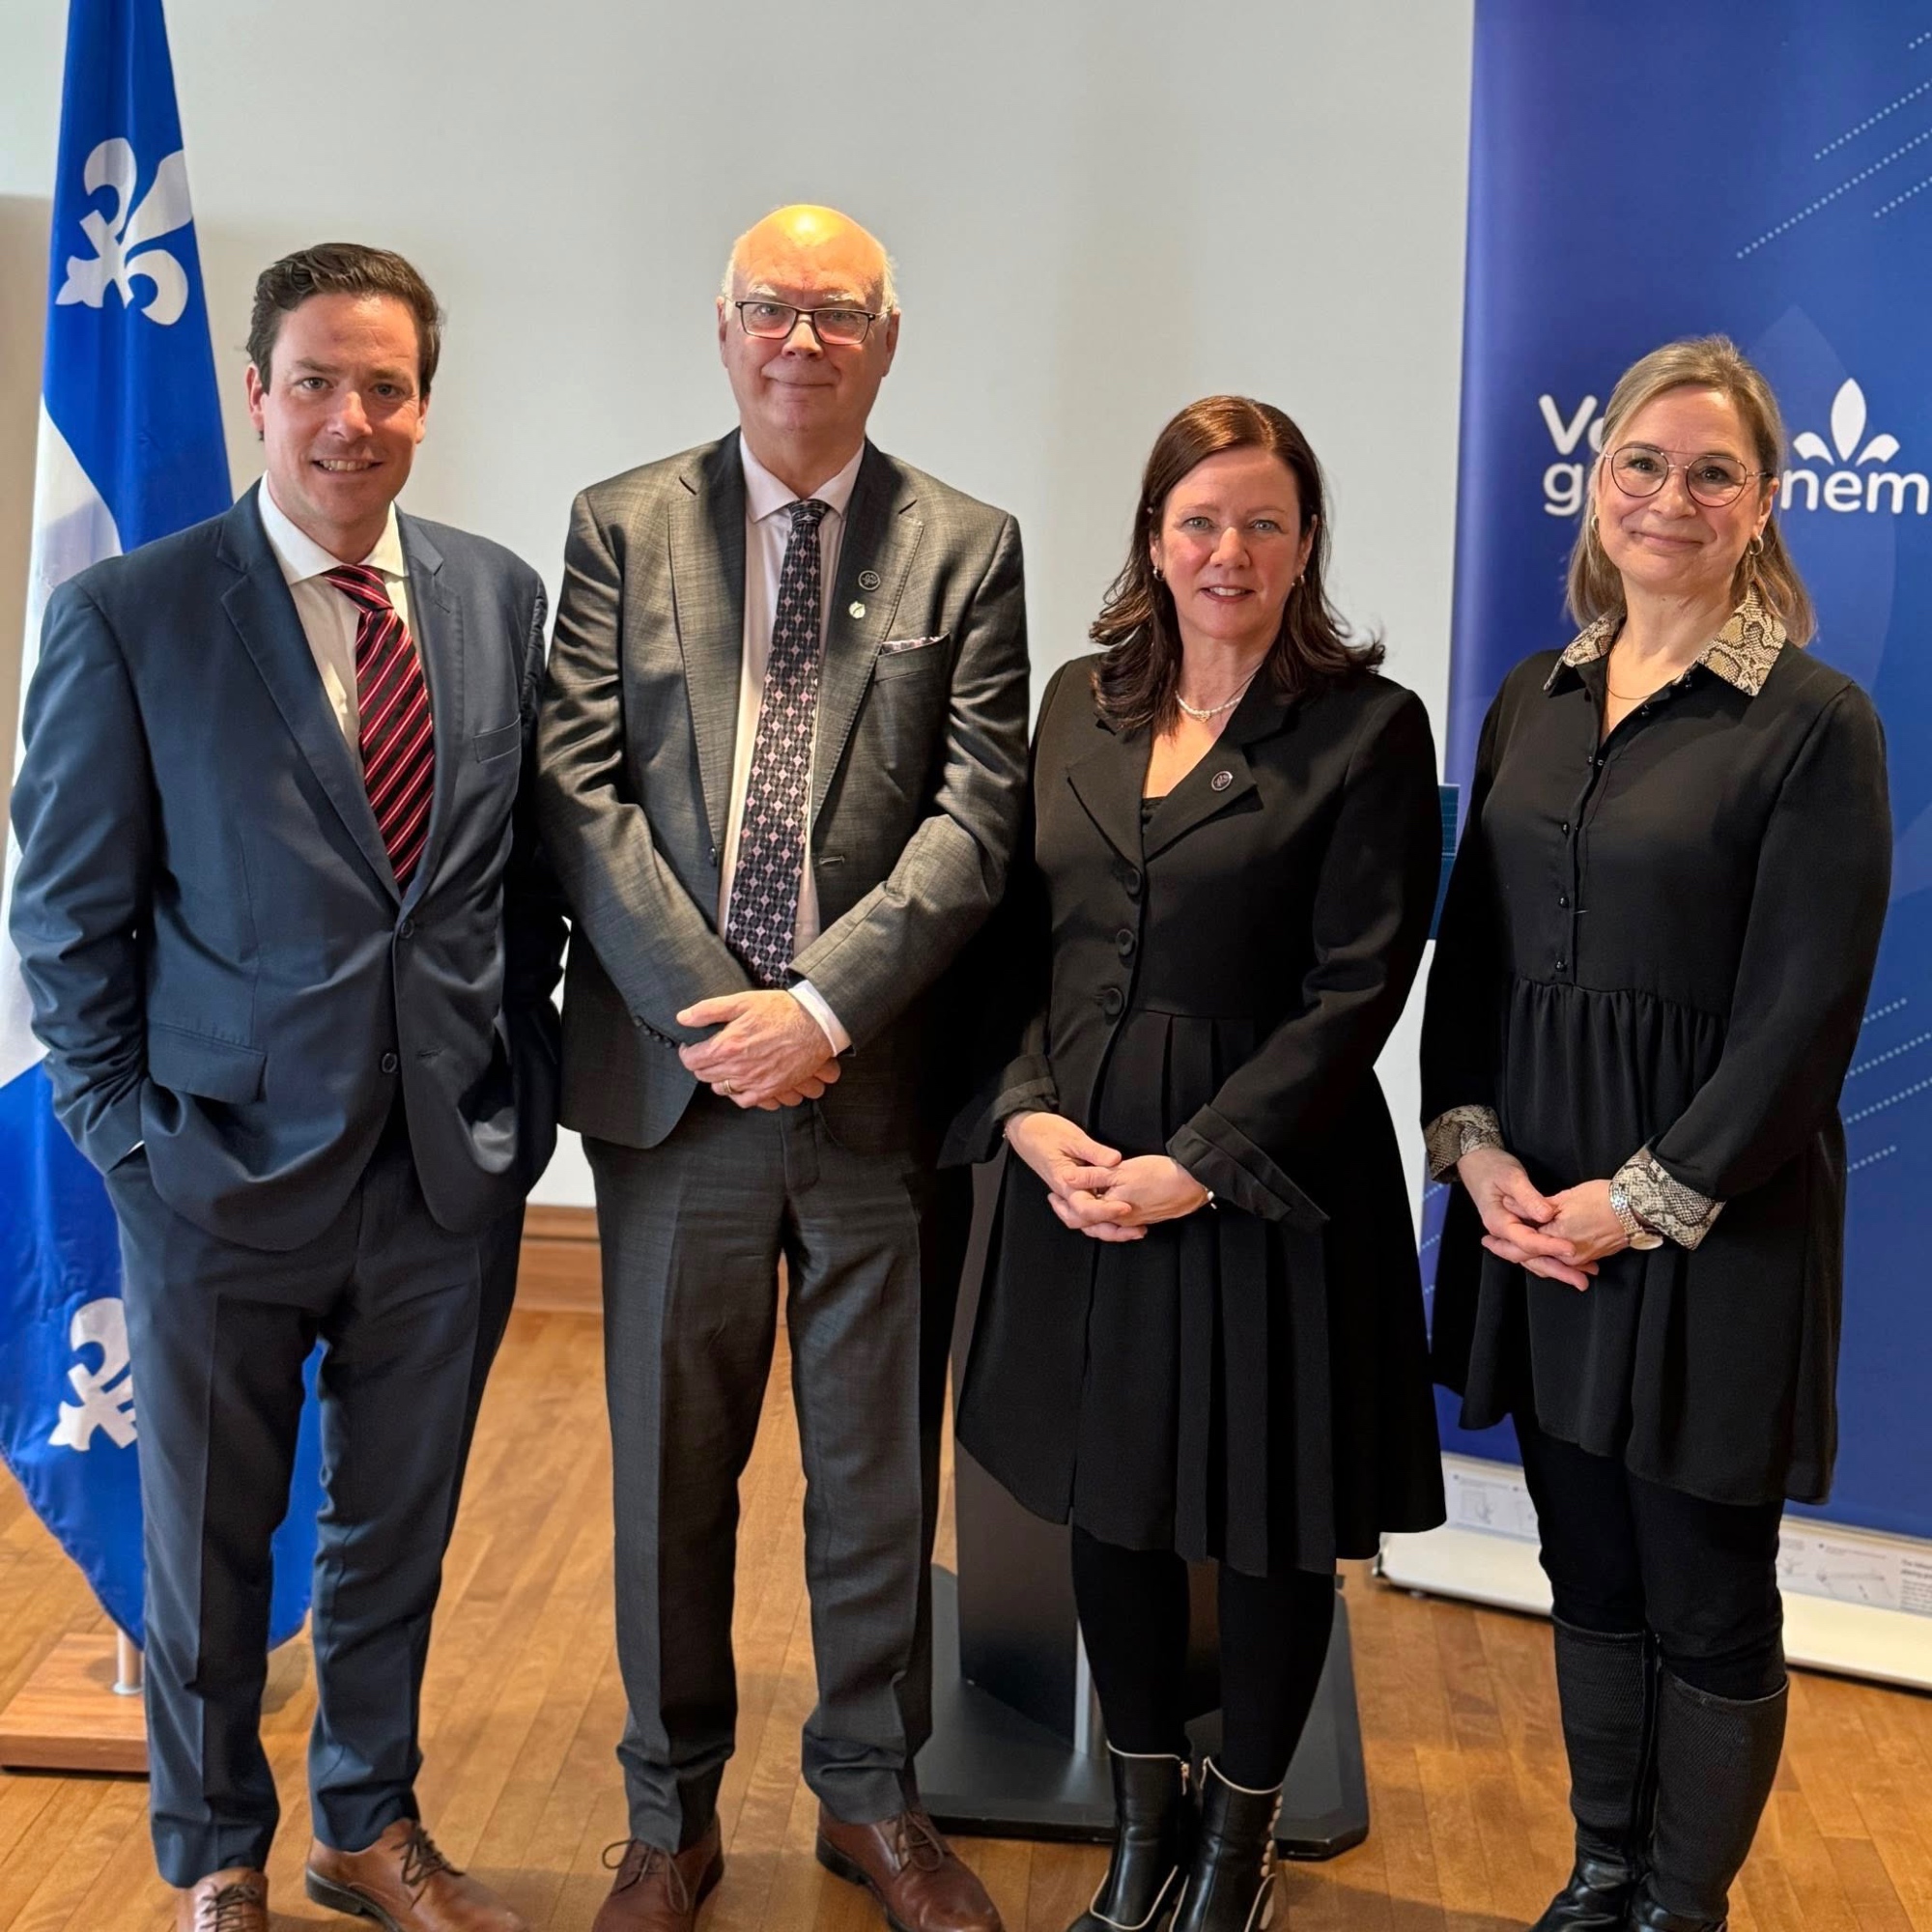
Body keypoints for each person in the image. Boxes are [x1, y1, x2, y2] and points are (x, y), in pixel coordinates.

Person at [9, 243, 564, 1932]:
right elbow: (67, 918)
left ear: (424, 407)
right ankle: (217, 1857)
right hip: (214, 1174)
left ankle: (366, 1827)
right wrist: (132, 1145)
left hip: (443, 1176)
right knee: (208, 1549)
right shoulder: (134, 614)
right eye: (316, 380)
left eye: (384, 386)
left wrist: (520, 1092)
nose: (349, 418)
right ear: (258, 393)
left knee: (397, 1535)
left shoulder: (493, 598)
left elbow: (524, 887)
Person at [535, 204, 1028, 1932]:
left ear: (888, 341)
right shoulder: (621, 526)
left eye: (836, 312)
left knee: (876, 1477)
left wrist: (817, 1009)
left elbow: (978, 816)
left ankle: (871, 1798)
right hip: (677, 1095)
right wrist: (722, 1017)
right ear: (723, 328)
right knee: (671, 1474)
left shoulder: (967, 545)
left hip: (875, 1085)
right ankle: (666, 1815)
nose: (800, 339)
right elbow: (579, 793)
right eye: (770, 307)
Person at [950, 396, 1446, 1932]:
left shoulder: (1369, 728)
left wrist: (1199, 1164)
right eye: (1200, 521)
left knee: (1269, 1525)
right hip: (1077, 1170)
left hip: (1270, 1184)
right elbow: (1014, 940)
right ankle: (1143, 1829)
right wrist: (1025, 1113)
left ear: (1307, 544)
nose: (1230, 551)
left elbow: (1357, 990)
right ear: (1154, 539)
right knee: (1112, 1507)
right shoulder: (1076, 704)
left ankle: (1238, 1853)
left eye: (1263, 523)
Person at [1421, 336, 1891, 1932]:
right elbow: (1475, 961)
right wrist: (1482, 1158)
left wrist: (1635, 1203)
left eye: (1710, 473)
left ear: (1763, 503)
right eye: (1642, 463)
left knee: (1704, 1591)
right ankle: (1601, 1874)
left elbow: (1802, 1018)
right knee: (1591, 1567)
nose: (1669, 497)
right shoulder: (1531, 698)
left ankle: (1680, 1910)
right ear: (1597, 481)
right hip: (1536, 1214)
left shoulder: (1815, 724)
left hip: (1709, 1224)